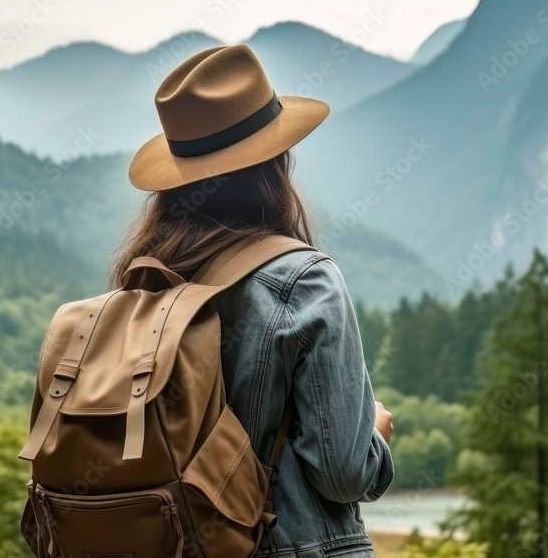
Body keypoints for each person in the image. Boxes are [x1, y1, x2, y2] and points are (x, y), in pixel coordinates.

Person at [112, 44, 395, 557]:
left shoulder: (144, 284)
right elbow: (344, 475)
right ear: (276, 165)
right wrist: (374, 430)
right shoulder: (302, 281)